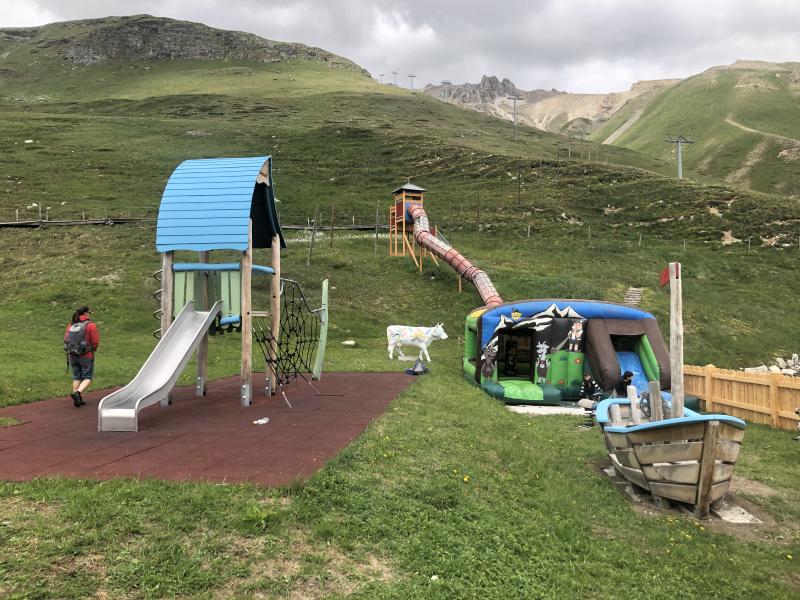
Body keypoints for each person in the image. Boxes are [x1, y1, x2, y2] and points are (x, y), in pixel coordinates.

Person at [64, 306, 100, 408]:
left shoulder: (71, 325)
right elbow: (95, 341)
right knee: (88, 377)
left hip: (72, 355)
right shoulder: (90, 325)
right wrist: (93, 349)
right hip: (86, 355)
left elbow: (66, 339)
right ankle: (78, 393)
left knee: (76, 377)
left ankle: (77, 400)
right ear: (86, 313)